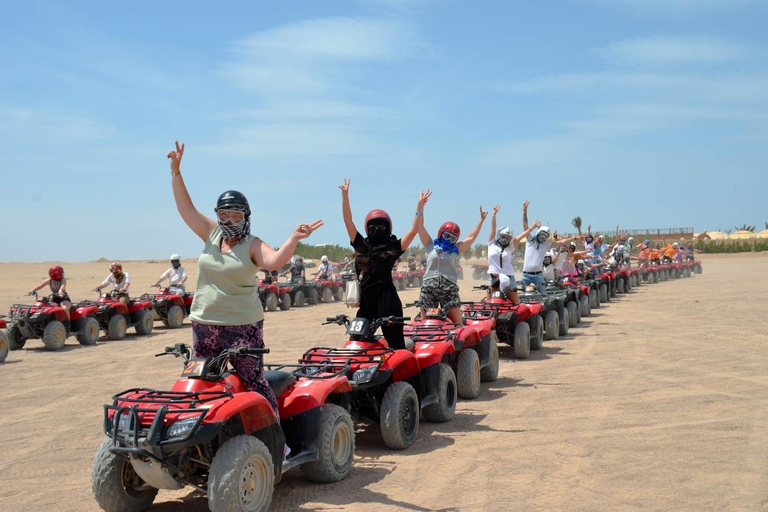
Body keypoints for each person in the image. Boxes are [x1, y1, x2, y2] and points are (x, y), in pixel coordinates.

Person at [166, 141, 322, 415]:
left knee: (253, 382)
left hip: (242, 327)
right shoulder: (211, 233)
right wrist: (176, 171)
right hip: (204, 324)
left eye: (235, 214)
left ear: (245, 216)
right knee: (202, 382)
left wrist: (293, 238)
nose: (228, 219)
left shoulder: (252, 244)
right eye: (223, 214)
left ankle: (275, 441)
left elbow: (274, 261)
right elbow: (185, 210)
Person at [339, 178, 429, 350]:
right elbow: (348, 221)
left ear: (388, 228)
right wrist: (345, 196)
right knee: (356, 343)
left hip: (388, 303)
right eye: (374, 227)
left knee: (397, 347)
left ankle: (406, 377)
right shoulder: (362, 246)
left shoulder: (392, 247)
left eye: (381, 227)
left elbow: (414, 230)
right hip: (367, 304)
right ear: (367, 228)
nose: (377, 230)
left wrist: (420, 207)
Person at [416, 205, 488, 323]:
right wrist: (420, 206)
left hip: (449, 290)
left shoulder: (456, 249)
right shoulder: (429, 244)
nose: (448, 240)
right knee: (426, 325)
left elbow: (471, 237)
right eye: (446, 236)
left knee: (456, 325)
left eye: (452, 238)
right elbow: (419, 226)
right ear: (440, 233)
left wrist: (481, 221)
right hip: (429, 290)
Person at [521, 201, 578, 293]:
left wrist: (575, 238)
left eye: (546, 236)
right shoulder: (529, 240)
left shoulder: (546, 245)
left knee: (543, 295)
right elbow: (525, 225)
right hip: (525, 275)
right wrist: (524, 211)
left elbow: (561, 242)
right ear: (538, 233)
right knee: (523, 296)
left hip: (538, 275)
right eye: (542, 234)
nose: (543, 237)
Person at [486, 205, 537, 304]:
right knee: (489, 305)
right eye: (503, 237)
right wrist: (493, 215)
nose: (505, 239)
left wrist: (532, 228)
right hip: (493, 277)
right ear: (499, 235)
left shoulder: (511, 247)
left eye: (508, 238)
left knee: (515, 303)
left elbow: (521, 236)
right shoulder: (491, 243)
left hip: (509, 277)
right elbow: (493, 228)